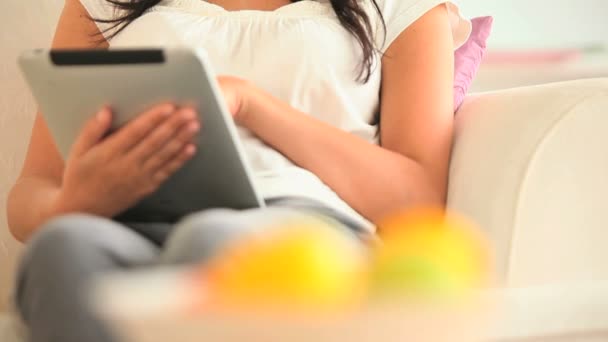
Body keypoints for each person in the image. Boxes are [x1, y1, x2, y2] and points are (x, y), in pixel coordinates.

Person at [7, 0, 471, 341]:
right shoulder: (102, 5)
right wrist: (74, 202)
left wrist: (251, 104)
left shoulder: (403, 7)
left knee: (213, 241)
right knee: (61, 247)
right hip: (131, 221)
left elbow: (419, 200)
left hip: (306, 231)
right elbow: (30, 194)